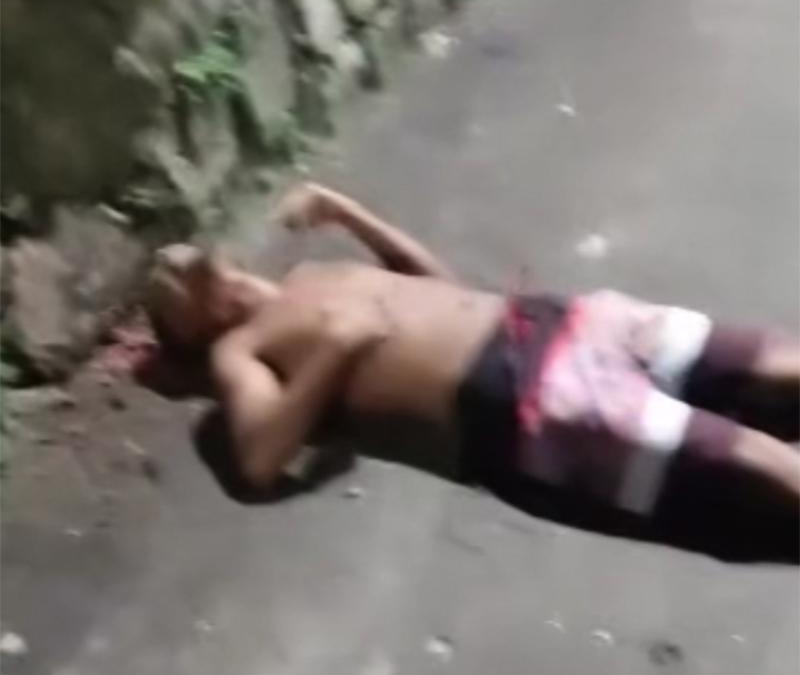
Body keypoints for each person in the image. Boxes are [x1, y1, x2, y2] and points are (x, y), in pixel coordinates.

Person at [146, 182, 800, 559]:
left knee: (768, 361)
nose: (229, 280)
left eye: (213, 268)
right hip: (523, 400)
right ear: (202, 326)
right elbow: (261, 458)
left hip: (556, 321)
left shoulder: (309, 274)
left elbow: (437, 287)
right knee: (752, 459)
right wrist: (337, 349)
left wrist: (344, 212)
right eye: (202, 290)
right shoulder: (241, 351)